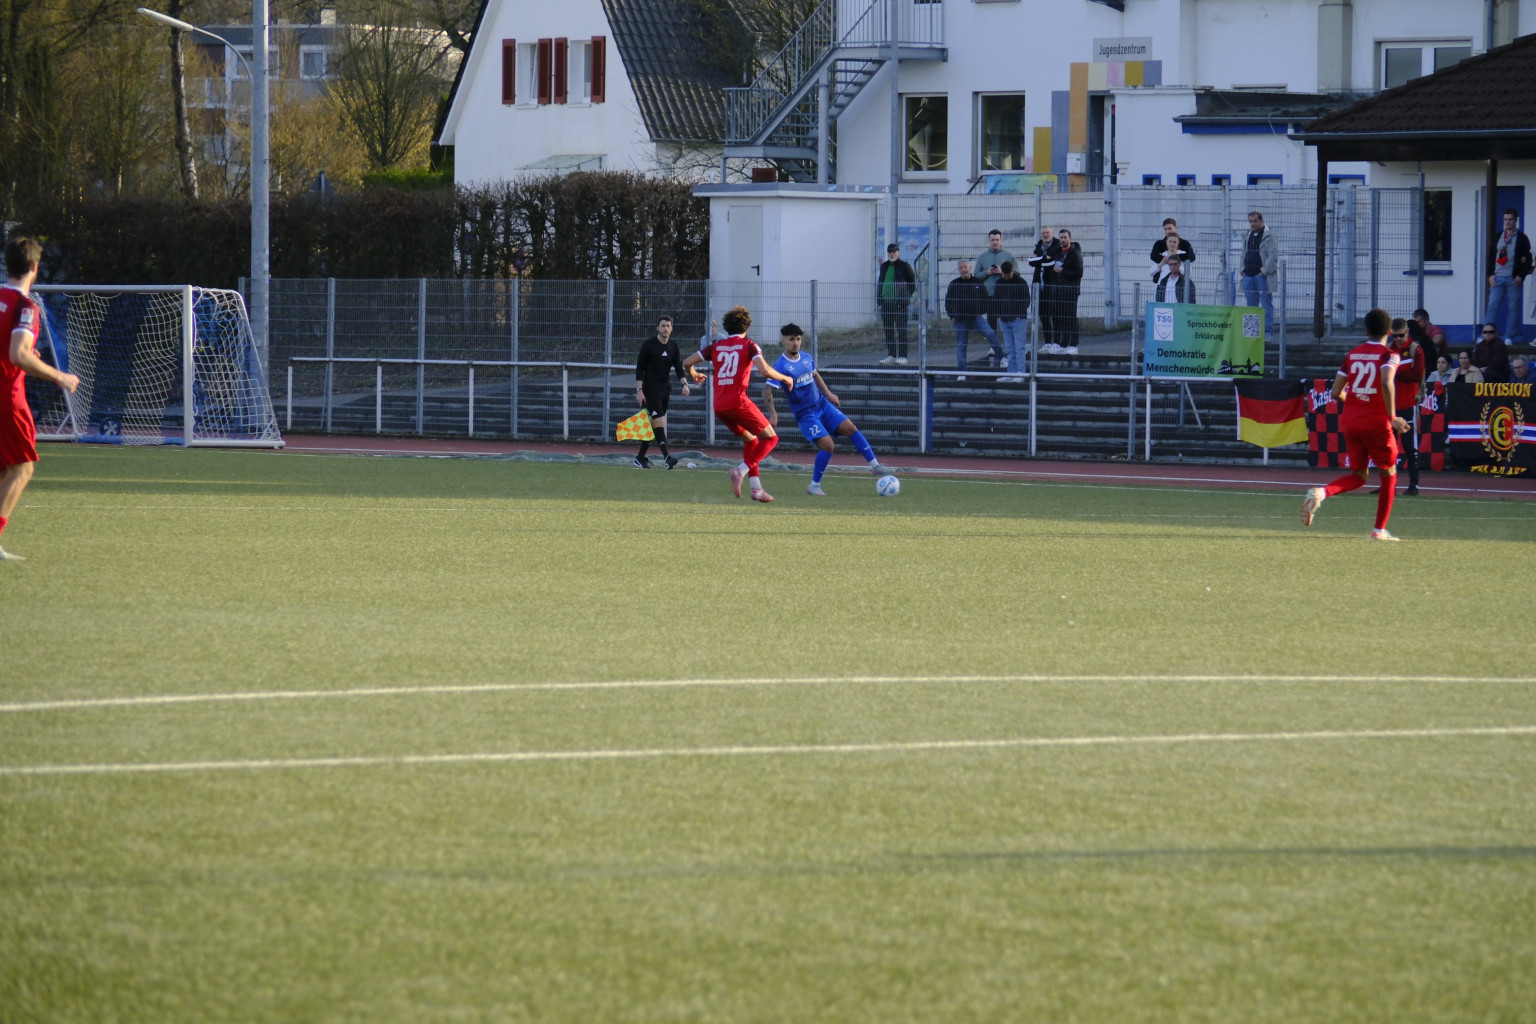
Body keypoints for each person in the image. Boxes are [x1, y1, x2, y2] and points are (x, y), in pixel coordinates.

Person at [1, 236, 81, 561]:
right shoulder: (26, 307)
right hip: (7, 397)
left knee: (5, 470)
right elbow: (18, 354)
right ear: (35, 267)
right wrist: (60, 376)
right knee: (22, 469)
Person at [1301, 307, 1411, 541]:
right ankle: (1379, 529)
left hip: (1351, 421)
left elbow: (1335, 392)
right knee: (1389, 474)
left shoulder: (1352, 354)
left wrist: (1354, 403)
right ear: (1389, 332)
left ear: (1366, 330)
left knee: (1359, 475)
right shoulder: (1389, 355)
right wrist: (1392, 416)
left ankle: (1321, 492)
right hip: (1376, 423)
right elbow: (1386, 381)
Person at [681, 305, 795, 503]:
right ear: (747, 327)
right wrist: (785, 377)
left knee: (751, 440)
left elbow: (687, 362)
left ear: (727, 327)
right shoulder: (749, 345)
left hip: (719, 405)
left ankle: (756, 489)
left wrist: (694, 374)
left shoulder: (716, 346)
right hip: (738, 401)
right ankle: (740, 471)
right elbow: (764, 371)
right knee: (771, 438)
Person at [761, 323, 891, 496]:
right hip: (806, 414)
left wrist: (829, 394)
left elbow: (815, 375)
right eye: (791, 339)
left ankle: (875, 466)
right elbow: (767, 391)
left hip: (822, 405)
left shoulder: (806, 358)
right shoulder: (780, 367)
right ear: (783, 341)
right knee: (828, 446)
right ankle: (814, 486)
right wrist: (773, 414)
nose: (796, 343)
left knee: (851, 429)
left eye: (798, 339)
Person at [631, 314, 692, 469]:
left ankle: (639, 458)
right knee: (659, 422)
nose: (666, 328)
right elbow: (639, 369)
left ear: (672, 328)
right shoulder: (649, 345)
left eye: (668, 326)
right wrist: (639, 390)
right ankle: (667, 458)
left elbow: (678, 368)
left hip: (664, 389)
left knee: (653, 424)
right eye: (663, 325)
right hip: (650, 390)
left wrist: (684, 384)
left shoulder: (673, 346)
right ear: (657, 328)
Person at [944, 259, 1002, 380]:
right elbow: (948, 301)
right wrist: (951, 316)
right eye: (961, 268)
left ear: (970, 268)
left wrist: (981, 311)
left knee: (990, 333)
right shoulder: (954, 284)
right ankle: (962, 372)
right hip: (960, 320)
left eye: (965, 267)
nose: (963, 269)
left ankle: (1002, 358)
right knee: (961, 345)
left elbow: (985, 299)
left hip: (976, 318)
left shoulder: (978, 282)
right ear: (958, 270)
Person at [1387, 317, 1425, 496]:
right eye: (1395, 336)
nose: (1398, 339)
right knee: (1389, 447)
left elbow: (1417, 375)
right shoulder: (1389, 349)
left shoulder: (1415, 350)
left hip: (1408, 404)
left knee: (1410, 447)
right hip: (1391, 406)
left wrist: (1394, 372)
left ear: (1407, 332)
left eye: (1401, 335)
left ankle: (1414, 484)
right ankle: (1388, 484)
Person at [1485, 208, 1532, 343]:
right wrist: (1490, 275)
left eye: (1511, 219)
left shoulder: (1522, 238)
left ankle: (1509, 336)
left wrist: (1521, 276)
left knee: (1513, 308)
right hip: (1497, 278)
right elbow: (1491, 256)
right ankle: (1486, 334)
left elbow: (1528, 259)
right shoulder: (1498, 236)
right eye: (1505, 219)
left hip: (1513, 279)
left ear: (1516, 220)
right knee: (1492, 306)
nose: (1508, 222)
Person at [975, 228, 1016, 361]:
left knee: (1008, 321)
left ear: (1001, 240)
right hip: (989, 295)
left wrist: (1002, 272)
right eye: (992, 240)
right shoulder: (982, 257)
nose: (995, 242)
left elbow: (1017, 274)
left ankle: (1010, 347)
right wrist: (987, 273)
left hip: (1006, 296)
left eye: (997, 240)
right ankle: (994, 347)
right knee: (991, 323)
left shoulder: (1009, 256)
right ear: (989, 241)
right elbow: (976, 276)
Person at [876, 242, 915, 366]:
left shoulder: (904, 266)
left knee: (901, 330)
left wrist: (904, 297)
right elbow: (881, 281)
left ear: (898, 253)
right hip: (886, 303)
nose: (892, 254)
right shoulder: (884, 266)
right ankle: (891, 355)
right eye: (890, 252)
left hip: (899, 304)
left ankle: (903, 356)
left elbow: (912, 283)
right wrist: (880, 298)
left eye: (894, 251)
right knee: (888, 330)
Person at [992, 261, 1031, 382]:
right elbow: (996, 299)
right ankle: (1011, 372)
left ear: (1012, 271)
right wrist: (999, 314)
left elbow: (1026, 301)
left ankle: (1021, 372)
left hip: (1018, 319)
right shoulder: (999, 283)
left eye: (1008, 275)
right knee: (1010, 348)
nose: (1006, 277)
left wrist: (1018, 314)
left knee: (1019, 347)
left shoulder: (1021, 282)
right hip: (1004, 319)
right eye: (1004, 275)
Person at [1240, 211, 1277, 337]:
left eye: (1255, 221)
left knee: (1266, 304)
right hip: (1248, 275)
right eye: (1250, 221)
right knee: (1251, 306)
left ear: (1261, 221)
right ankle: (1252, 333)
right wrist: (1242, 270)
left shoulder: (1269, 235)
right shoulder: (1248, 235)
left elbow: (1273, 256)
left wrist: (1264, 271)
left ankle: (1267, 332)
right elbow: (1243, 254)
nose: (1252, 224)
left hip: (1262, 276)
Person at [1027, 227, 1062, 353]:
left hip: (1052, 283)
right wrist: (1044, 258)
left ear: (1052, 234)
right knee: (1043, 315)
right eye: (1043, 233)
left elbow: (1052, 262)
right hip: (1038, 284)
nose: (1045, 235)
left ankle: (1057, 343)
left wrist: (1039, 259)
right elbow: (1031, 262)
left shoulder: (1058, 246)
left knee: (1055, 314)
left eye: (1047, 233)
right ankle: (1047, 343)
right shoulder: (1039, 246)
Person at [1050, 228, 1083, 354]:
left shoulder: (1075, 253)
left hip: (1070, 291)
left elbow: (1078, 272)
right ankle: (1063, 343)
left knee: (1071, 317)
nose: (1063, 240)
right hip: (1058, 291)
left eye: (1065, 237)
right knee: (1061, 318)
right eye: (1061, 238)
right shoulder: (1058, 253)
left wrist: (1062, 271)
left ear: (1070, 238)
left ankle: (1074, 344)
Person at [1150, 217, 1195, 283]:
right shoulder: (1159, 244)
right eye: (1165, 229)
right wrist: (1166, 260)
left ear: (1175, 228)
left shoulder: (1185, 244)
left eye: (1170, 228)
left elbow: (1191, 257)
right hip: (1162, 280)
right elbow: (1153, 256)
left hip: (1179, 280)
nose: (1168, 231)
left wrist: (1174, 258)